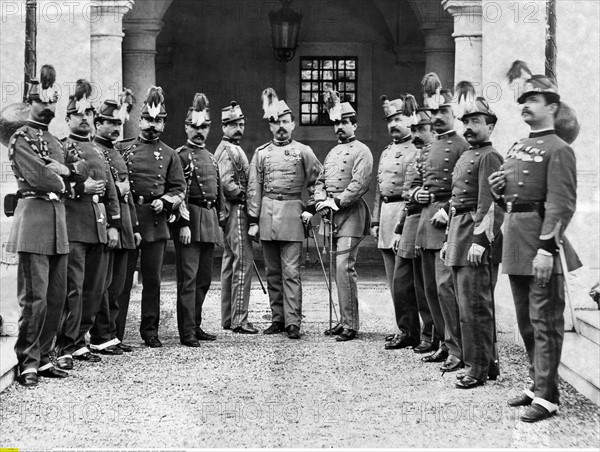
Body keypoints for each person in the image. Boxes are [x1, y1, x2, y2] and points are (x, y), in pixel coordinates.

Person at [489, 72, 581, 422]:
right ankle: (536, 381)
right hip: (515, 236)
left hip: (539, 241)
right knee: (527, 320)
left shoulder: (560, 150)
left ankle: (548, 396)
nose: (524, 106)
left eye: (532, 101)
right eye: (522, 101)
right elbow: (508, 197)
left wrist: (547, 248)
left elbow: (562, 204)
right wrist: (498, 188)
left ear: (552, 107)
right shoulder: (518, 146)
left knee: (544, 320)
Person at [7, 66, 88, 386]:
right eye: (43, 103)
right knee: (35, 298)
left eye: (53, 103)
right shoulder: (19, 137)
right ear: (30, 103)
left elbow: (80, 168)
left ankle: (43, 358)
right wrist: (64, 173)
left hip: (58, 223)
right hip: (34, 223)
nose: (50, 108)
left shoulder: (54, 141)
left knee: (56, 297)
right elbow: (38, 177)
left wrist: (66, 171)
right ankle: (27, 361)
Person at [55, 79, 120, 370]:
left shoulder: (98, 151)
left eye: (88, 115)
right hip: (74, 226)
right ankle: (66, 345)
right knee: (74, 289)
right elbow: (52, 185)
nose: (84, 119)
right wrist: (81, 190)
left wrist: (114, 225)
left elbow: (111, 193)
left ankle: (81, 340)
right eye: (78, 115)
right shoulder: (60, 148)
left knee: (95, 289)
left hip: (99, 228)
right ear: (68, 119)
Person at [247, 88, 322, 339]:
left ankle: (293, 322)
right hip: (267, 215)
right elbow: (254, 187)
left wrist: (312, 207)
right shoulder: (261, 153)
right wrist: (253, 220)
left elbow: (317, 180)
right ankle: (277, 318)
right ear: (270, 126)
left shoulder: (304, 151)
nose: (280, 126)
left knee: (291, 271)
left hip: (292, 213)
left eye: (284, 121)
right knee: (272, 271)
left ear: (293, 124)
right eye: (275, 122)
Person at [442, 86, 504, 389]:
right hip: (459, 230)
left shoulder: (491, 156)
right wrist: (448, 241)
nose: (469, 127)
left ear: (490, 126)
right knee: (465, 303)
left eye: (476, 121)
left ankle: (477, 366)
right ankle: (487, 362)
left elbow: (490, 203)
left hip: (474, 234)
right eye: (466, 122)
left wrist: (481, 240)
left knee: (475, 306)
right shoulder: (468, 154)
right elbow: (456, 203)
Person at [116, 86, 186, 348]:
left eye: (157, 121)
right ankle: (115, 333)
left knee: (153, 281)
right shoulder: (123, 149)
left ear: (164, 124)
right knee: (122, 281)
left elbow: (179, 189)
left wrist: (165, 201)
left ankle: (150, 331)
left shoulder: (170, 155)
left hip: (155, 223)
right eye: (147, 120)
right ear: (139, 120)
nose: (152, 125)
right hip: (129, 221)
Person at [413, 73, 469, 372]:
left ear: (453, 114)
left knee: (447, 289)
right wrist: (416, 193)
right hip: (425, 221)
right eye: (433, 112)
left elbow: (466, 186)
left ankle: (458, 348)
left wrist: (448, 208)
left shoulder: (462, 146)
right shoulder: (427, 147)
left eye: (442, 112)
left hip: (447, 222)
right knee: (431, 289)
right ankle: (442, 343)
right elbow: (417, 182)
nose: (436, 117)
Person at [315, 90, 373, 342]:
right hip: (330, 216)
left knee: (343, 266)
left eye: (344, 122)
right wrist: (320, 200)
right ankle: (343, 320)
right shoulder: (331, 153)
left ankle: (351, 324)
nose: (339, 127)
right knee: (334, 269)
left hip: (350, 215)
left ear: (354, 125)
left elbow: (359, 184)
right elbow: (320, 180)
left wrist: (336, 202)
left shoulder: (363, 151)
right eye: (336, 122)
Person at [89, 93, 141, 354]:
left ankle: (113, 335)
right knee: (105, 285)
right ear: (98, 123)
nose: (116, 128)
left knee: (119, 285)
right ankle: (101, 336)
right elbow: (105, 191)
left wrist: (134, 228)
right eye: (110, 123)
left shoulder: (114, 151)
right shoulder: (94, 150)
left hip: (124, 227)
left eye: (118, 124)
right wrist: (117, 190)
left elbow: (126, 193)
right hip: (107, 224)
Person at [172, 93, 224, 346]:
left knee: (204, 279)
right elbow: (176, 191)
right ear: (186, 127)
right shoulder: (180, 156)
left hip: (208, 219)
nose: (199, 131)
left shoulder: (212, 157)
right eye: (194, 126)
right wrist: (182, 224)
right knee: (189, 279)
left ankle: (197, 323)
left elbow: (218, 192)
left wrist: (220, 221)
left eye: (204, 126)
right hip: (190, 221)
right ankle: (187, 331)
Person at [371, 94, 420, 349]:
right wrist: (376, 219)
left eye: (398, 118)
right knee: (393, 280)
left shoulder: (417, 150)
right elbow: (380, 189)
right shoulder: (386, 151)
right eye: (390, 120)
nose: (393, 124)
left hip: (406, 213)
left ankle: (414, 329)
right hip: (387, 216)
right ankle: (401, 327)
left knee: (407, 280)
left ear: (409, 120)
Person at [395, 108, 437, 354]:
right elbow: (408, 191)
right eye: (414, 129)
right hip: (412, 219)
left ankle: (431, 334)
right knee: (402, 282)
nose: (417, 134)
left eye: (422, 129)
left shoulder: (441, 154)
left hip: (430, 220)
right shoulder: (417, 155)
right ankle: (407, 331)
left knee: (425, 284)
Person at [215, 101, 257, 334]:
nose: (238, 128)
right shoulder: (226, 150)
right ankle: (239, 319)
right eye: (233, 125)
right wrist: (247, 196)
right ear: (224, 127)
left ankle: (229, 318)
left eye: (241, 124)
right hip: (236, 209)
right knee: (242, 262)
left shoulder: (233, 148)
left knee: (231, 263)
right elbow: (226, 183)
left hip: (234, 210)